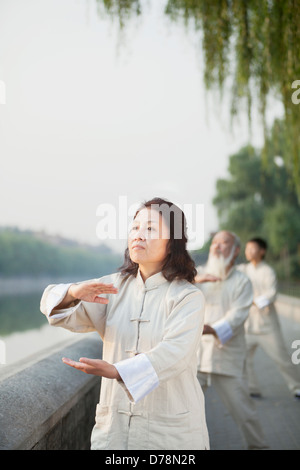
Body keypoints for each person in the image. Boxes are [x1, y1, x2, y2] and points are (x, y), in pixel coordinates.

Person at [40, 197, 210, 450]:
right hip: (115, 433)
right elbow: (59, 313)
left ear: (173, 242)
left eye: (150, 229)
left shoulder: (187, 296)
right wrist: (74, 292)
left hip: (171, 436)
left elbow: (175, 353)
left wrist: (118, 371)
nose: (139, 235)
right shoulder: (113, 287)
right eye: (135, 227)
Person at [195, 230, 268, 450]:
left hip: (227, 357)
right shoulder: (195, 275)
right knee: (183, 411)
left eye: (223, 243)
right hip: (196, 358)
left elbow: (237, 317)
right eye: (214, 243)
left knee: (244, 413)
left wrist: (210, 329)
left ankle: (260, 447)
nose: (217, 246)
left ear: (236, 251)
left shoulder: (242, 282)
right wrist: (194, 280)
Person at [237, 237, 300, 399]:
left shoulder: (268, 271)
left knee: (282, 358)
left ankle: (296, 387)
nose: (249, 252)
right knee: (243, 358)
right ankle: (252, 388)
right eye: (247, 248)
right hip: (248, 325)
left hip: (267, 325)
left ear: (262, 251)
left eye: (252, 249)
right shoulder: (243, 269)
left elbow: (271, 294)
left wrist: (253, 301)